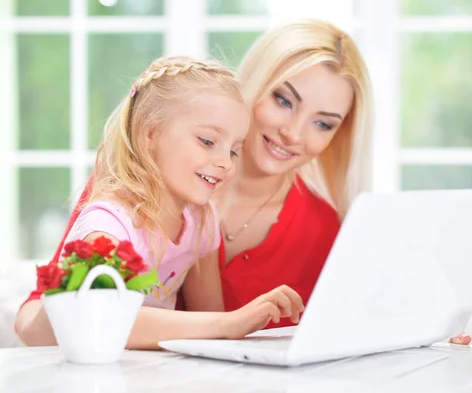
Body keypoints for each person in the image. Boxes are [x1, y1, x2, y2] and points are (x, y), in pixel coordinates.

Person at [18, 19, 472, 346]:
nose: (293, 133)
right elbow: (49, 317)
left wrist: (436, 339)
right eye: (284, 101)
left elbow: (335, 336)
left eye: (323, 123)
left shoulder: (317, 227)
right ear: (248, 88)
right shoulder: (131, 184)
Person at [15, 56, 303, 350]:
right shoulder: (109, 224)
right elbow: (101, 323)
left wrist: (230, 327)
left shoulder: (200, 220)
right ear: (150, 133)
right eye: (207, 141)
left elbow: (209, 318)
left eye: (233, 151)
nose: (225, 163)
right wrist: (230, 323)